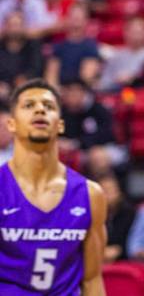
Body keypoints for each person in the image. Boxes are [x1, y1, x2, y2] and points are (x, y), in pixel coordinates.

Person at [0, 80, 106, 294]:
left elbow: (92, 281)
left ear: (60, 124)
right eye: (29, 105)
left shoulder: (90, 194)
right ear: (11, 124)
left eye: (48, 106)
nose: (40, 109)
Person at [60, 79, 124, 176]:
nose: (72, 96)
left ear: (83, 93)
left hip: (107, 148)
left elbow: (106, 134)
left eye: (75, 92)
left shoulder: (98, 109)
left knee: (97, 157)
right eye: (69, 92)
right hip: (76, 152)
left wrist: (78, 143)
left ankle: (104, 188)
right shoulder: (62, 113)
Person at [45, 3, 101, 86]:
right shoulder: (59, 46)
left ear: (86, 21)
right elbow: (51, 75)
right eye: (74, 17)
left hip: (81, 91)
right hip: (61, 91)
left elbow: (87, 76)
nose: (76, 21)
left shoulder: (91, 46)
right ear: (68, 19)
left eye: (79, 18)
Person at [100, 16, 144, 90]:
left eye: (139, 32)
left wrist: (134, 77)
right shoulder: (116, 56)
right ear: (125, 32)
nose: (136, 36)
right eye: (133, 32)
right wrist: (116, 80)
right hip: (117, 94)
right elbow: (104, 83)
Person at [0, 11, 44, 95]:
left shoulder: (33, 46)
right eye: (11, 25)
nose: (14, 29)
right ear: (5, 27)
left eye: (18, 25)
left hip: (28, 88)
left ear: (24, 27)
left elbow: (36, 68)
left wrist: (25, 79)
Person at [97, 171, 135, 263]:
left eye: (110, 190)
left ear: (119, 192)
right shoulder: (93, 214)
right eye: (103, 191)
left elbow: (130, 243)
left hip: (126, 260)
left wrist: (117, 250)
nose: (107, 195)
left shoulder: (130, 213)